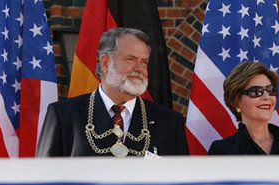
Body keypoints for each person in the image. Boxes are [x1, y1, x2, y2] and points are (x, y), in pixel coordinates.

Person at [37, 28, 188, 157]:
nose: (139, 68)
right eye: (130, 59)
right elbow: (44, 182)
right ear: (105, 63)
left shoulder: (169, 122)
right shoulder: (64, 115)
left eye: (144, 62)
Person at [208, 61, 279, 155]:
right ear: (236, 102)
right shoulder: (222, 151)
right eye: (255, 91)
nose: (266, 97)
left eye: (270, 90)